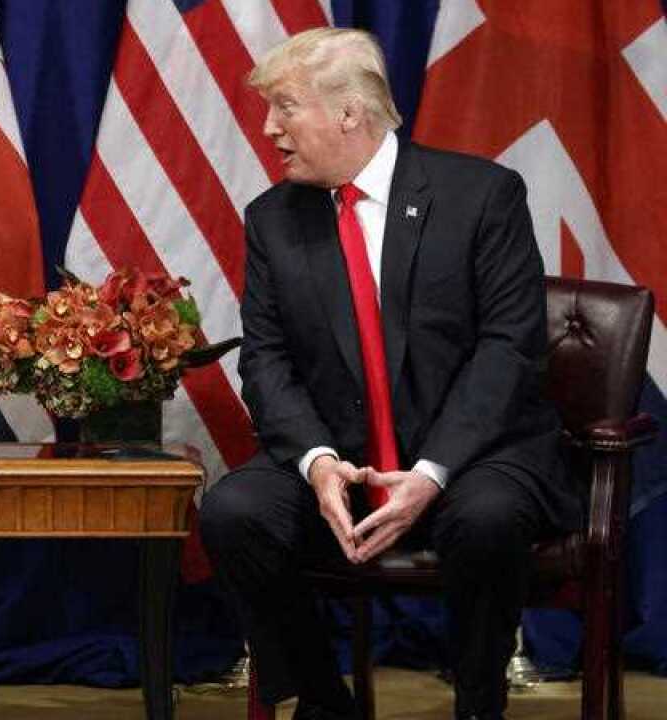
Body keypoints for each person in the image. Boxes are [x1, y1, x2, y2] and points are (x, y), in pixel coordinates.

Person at [199, 28, 579, 720]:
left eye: (285, 107)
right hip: (340, 459)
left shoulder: (482, 196)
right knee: (234, 512)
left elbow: (508, 349)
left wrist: (431, 472)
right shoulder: (272, 220)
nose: (268, 128)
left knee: (489, 519)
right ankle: (322, 701)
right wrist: (317, 464)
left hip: (470, 460)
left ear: (349, 112)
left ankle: (477, 702)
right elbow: (266, 358)